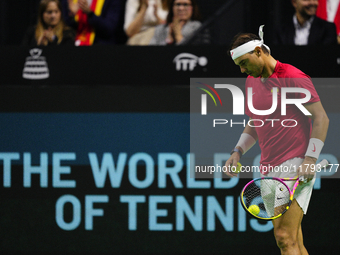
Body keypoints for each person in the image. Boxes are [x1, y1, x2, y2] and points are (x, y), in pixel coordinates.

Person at [225, 25, 329, 254]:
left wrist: (310, 159)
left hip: (295, 162)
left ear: (259, 52)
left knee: (284, 237)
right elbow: (256, 121)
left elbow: (321, 118)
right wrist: (237, 151)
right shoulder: (252, 80)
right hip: (268, 167)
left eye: (244, 63)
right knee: (292, 240)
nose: (242, 71)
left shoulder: (292, 76)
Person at [61, 0, 125, 45]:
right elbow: (65, 27)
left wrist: (90, 14)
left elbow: (109, 28)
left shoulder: (112, 1)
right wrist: (72, 15)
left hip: (101, 46)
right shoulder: (72, 1)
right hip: (75, 44)